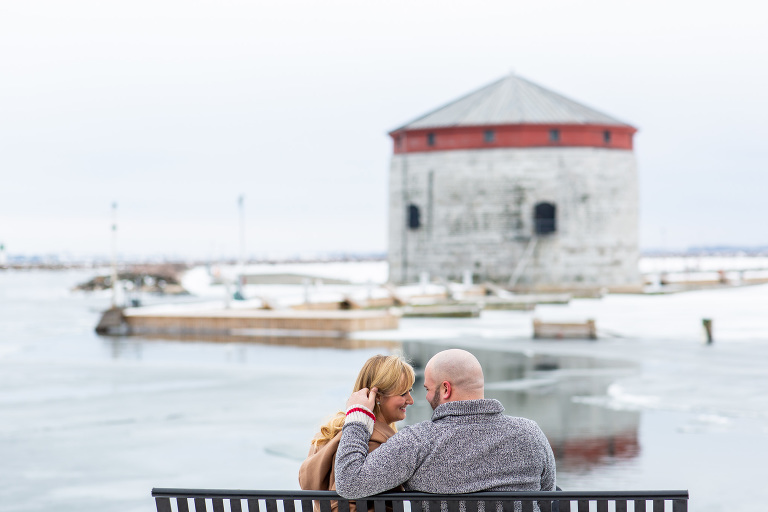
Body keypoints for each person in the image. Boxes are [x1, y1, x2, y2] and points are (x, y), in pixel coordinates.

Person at [334, 349, 556, 502]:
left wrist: (358, 417)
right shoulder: (531, 434)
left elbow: (349, 483)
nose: (423, 397)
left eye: (428, 389)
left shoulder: (417, 441)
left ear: (446, 389)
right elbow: (549, 496)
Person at [299, 354, 415, 512]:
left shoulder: (328, 432)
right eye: (403, 394)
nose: (410, 400)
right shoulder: (375, 445)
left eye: (409, 391)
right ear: (378, 396)